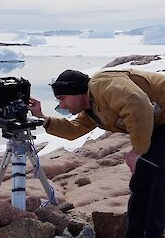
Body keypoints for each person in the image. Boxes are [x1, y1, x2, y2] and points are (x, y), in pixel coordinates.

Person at [28, 69, 165, 238]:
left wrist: (138, 150)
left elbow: (137, 102)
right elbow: (74, 129)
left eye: (62, 99)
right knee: (142, 182)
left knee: (153, 180)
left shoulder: (101, 84)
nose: (61, 106)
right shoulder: (92, 108)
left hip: (161, 125)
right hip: (159, 126)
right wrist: (42, 118)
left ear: (76, 91)